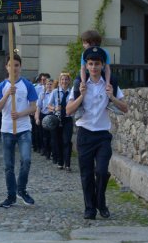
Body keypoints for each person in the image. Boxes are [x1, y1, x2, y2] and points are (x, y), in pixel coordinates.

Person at [66, 47, 128, 219]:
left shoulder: (110, 84)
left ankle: (101, 201)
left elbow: (125, 108)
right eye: (91, 64)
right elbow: (68, 110)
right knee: (86, 174)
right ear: (86, 66)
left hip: (102, 135)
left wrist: (112, 96)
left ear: (102, 66)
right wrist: (81, 96)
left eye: (97, 64)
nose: (94, 67)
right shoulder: (79, 85)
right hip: (85, 134)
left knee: (101, 171)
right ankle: (90, 208)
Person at [0, 53, 38, 208]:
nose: (13, 68)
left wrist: (20, 114)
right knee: (8, 165)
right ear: (6, 67)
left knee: (26, 160)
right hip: (7, 129)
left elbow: (33, 107)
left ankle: (21, 189)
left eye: (17, 65)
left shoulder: (27, 85)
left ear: (20, 67)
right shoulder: (1, 86)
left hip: (24, 128)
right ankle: (11, 195)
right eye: (10, 65)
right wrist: (8, 94)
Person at [48, 72, 74, 171]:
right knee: (57, 141)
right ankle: (60, 161)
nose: (64, 81)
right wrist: (55, 108)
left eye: (66, 79)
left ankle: (67, 164)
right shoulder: (55, 92)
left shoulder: (72, 92)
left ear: (69, 81)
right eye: (62, 79)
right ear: (59, 81)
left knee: (66, 141)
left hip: (67, 119)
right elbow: (48, 105)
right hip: (57, 119)